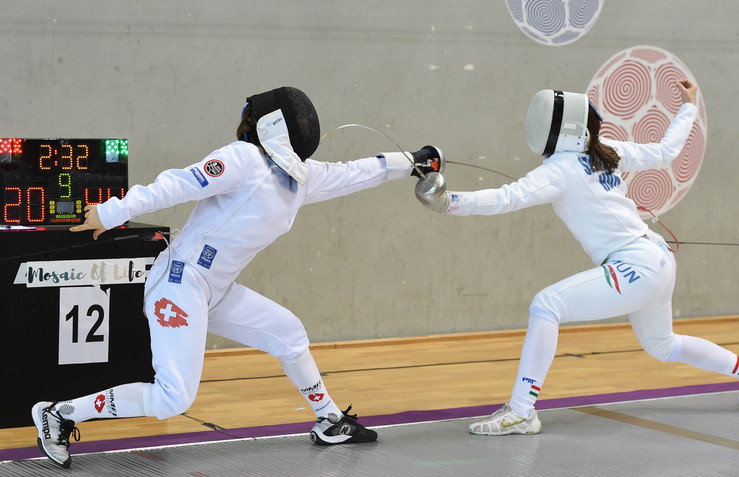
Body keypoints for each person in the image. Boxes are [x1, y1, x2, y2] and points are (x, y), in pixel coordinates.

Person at [32, 86, 444, 468]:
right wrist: (112, 211)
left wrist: (412, 162)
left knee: (290, 334)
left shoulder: (299, 180)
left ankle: (329, 420)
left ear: (266, 124)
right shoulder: (240, 159)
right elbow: (178, 183)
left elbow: (357, 171)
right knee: (175, 396)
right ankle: (57, 413)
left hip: (215, 290)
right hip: (178, 282)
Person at [415, 79, 739, 436]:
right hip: (655, 259)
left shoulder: (561, 170)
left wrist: (449, 203)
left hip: (635, 265)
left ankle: (522, 411)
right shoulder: (606, 150)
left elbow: (507, 197)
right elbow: (667, 149)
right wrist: (688, 106)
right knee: (663, 345)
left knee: (547, 305)